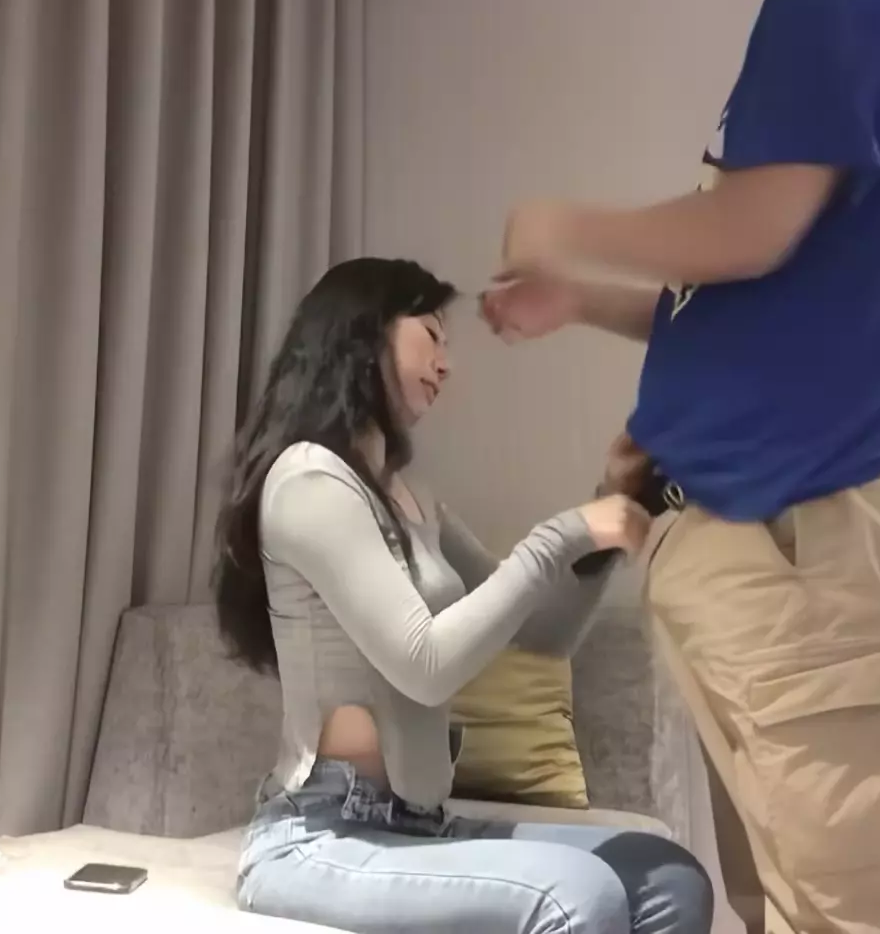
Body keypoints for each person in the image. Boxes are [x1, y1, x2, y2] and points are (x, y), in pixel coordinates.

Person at [479, 0, 880, 932]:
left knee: (865, 907)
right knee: (825, 899)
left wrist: (564, 226)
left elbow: (746, 232)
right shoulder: (864, 10)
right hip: (794, 540)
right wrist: (583, 299)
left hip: (805, 537)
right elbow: (748, 285)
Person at [211, 256, 714, 934]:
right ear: (365, 333)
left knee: (668, 879)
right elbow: (424, 665)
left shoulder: (411, 499)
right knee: (577, 895)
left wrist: (614, 508)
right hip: (322, 834)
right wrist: (565, 533)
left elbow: (543, 636)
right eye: (431, 334)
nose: (446, 364)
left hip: (420, 824)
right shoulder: (309, 479)